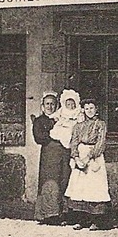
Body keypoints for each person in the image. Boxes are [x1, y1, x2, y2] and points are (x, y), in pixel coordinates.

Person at [64, 95, 111, 229]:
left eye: (92, 108)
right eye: (86, 108)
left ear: (96, 110)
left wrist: (88, 157)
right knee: (80, 188)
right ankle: (81, 219)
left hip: (94, 158)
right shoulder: (78, 126)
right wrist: (77, 158)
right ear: (83, 110)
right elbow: (73, 142)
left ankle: (96, 221)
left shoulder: (100, 124)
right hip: (80, 157)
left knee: (94, 187)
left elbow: (100, 143)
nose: (89, 111)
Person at [32, 91, 71, 224]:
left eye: (53, 104)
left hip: (64, 155)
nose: (50, 107)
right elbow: (39, 137)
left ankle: (63, 213)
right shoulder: (39, 121)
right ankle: (49, 214)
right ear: (43, 106)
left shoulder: (63, 118)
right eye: (47, 104)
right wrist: (53, 132)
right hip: (49, 156)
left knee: (64, 180)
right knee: (50, 182)